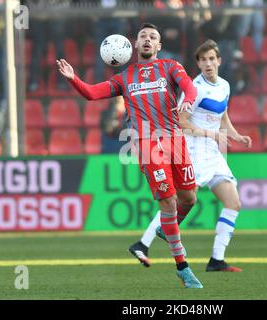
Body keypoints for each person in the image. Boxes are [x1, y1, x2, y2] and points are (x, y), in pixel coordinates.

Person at [57, 23, 203, 289]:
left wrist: (188, 100)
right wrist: (73, 78)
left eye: (153, 37)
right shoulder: (125, 77)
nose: (147, 40)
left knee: (189, 198)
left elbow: (189, 88)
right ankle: (183, 267)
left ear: (159, 45)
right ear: (134, 45)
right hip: (147, 143)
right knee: (168, 203)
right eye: (143, 37)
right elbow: (92, 93)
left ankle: (165, 229)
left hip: (174, 139)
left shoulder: (171, 66)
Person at [128, 39, 252, 272]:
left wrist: (236, 136)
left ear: (219, 61)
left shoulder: (224, 85)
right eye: (203, 60)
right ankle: (143, 243)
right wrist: (210, 135)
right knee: (174, 200)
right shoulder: (194, 89)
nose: (208, 63)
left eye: (211, 59)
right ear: (198, 63)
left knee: (233, 203)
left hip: (213, 153)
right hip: (194, 149)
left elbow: (223, 117)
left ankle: (216, 260)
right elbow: (181, 122)